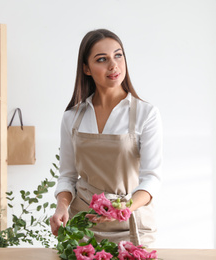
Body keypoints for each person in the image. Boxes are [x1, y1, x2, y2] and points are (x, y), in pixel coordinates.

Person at [50, 29, 162, 247]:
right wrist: (62, 207)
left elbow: (152, 178)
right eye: (102, 59)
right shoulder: (71, 117)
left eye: (118, 55)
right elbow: (68, 176)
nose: (113, 65)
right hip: (82, 226)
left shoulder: (146, 114)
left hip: (131, 224)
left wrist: (124, 208)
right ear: (86, 69)